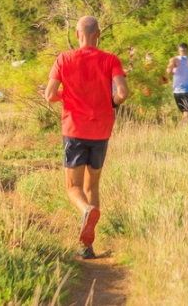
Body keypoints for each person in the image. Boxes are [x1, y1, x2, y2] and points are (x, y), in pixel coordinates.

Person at [44, 16, 128, 259]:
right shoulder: (110, 60)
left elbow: (50, 95)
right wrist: (110, 101)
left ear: (77, 33)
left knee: (73, 188)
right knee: (93, 185)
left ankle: (87, 211)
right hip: (101, 131)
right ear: (98, 34)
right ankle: (87, 246)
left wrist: (66, 95)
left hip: (74, 130)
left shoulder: (64, 58)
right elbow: (122, 93)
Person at [166, 43, 188, 125]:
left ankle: (183, 129)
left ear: (178, 50)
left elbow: (168, 70)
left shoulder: (174, 60)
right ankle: (184, 131)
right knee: (187, 112)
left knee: (184, 111)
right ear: (187, 50)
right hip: (187, 91)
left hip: (176, 92)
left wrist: (173, 72)